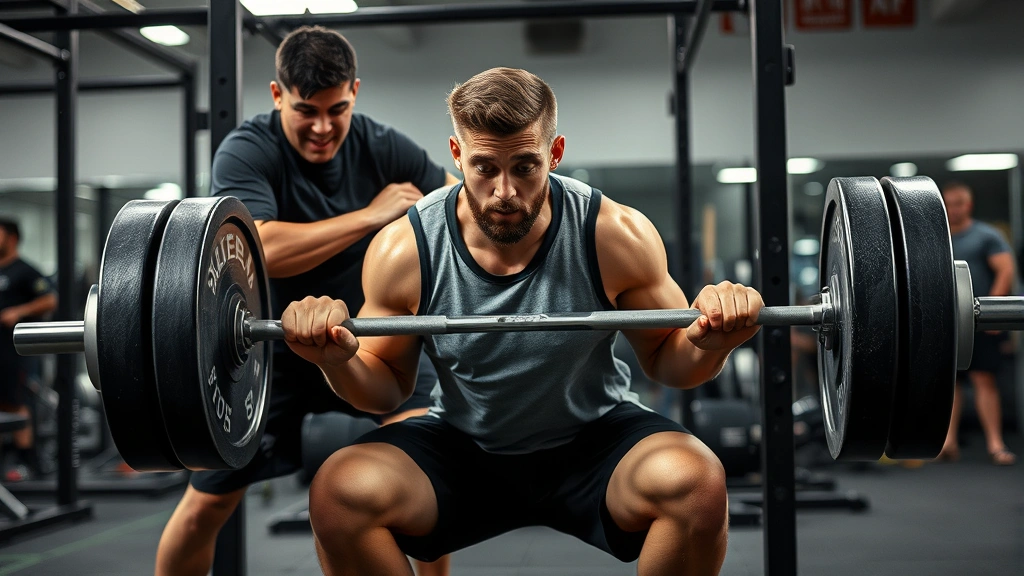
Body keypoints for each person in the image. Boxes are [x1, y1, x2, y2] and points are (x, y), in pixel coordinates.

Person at [283, 67, 764, 576]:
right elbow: (386, 392)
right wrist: (336, 361)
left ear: (554, 154)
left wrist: (714, 339)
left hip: (594, 440)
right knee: (339, 492)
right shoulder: (406, 248)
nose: (505, 191)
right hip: (464, 446)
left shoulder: (613, 234)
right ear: (457, 155)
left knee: (697, 483)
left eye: (525, 166)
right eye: (485, 167)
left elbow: (670, 364)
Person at [154, 27, 458, 576]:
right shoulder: (249, 149)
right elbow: (261, 246)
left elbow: (456, 202)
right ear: (277, 96)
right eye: (305, 111)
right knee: (204, 506)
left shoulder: (383, 144)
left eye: (336, 109)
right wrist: (371, 216)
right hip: (267, 353)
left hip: (369, 345)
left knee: (424, 485)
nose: (322, 127)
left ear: (355, 92)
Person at [939, 182, 1017, 465]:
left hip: (978, 319)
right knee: (949, 383)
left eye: (957, 204)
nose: (951, 210)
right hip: (948, 321)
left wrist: (990, 312)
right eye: (947, 204)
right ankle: (948, 443)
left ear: (968, 205)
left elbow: (1006, 271)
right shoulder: (938, 237)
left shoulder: (986, 236)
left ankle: (995, 444)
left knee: (984, 379)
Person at [0, 217, 57, 481]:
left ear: (12, 238)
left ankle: (27, 460)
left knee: (16, 403)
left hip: (13, 352)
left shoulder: (25, 271)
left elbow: (49, 300)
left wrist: (18, 312)